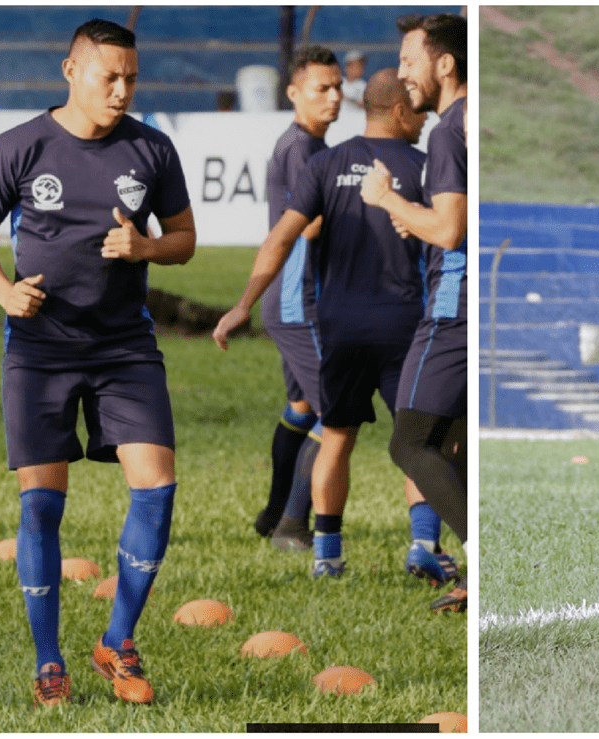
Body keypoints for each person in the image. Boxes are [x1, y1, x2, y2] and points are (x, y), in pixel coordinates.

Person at [0, 19, 196, 706]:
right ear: (71, 71)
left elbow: (183, 239)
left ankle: (116, 641)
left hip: (125, 346)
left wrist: (144, 250)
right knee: (42, 506)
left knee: (156, 486)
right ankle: (48, 661)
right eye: (108, 77)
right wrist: (5, 290)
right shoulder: (22, 146)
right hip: (39, 350)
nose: (121, 91)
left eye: (131, 79)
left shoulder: (152, 149)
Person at [213, 68, 447, 583]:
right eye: (422, 114)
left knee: (336, 436)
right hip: (406, 329)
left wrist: (243, 303)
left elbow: (280, 239)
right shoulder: (428, 167)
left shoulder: (325, 164)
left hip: (339, 329)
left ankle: (327, 555)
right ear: (402, 112)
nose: (426, 122)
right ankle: (424, 545)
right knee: (419, 442)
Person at [361, 12, 468, 612]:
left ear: (443, 63)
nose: (402, 74)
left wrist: (387, 200)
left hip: (453, 306)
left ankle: (482, 557)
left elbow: (449, 232)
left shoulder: (449, 129)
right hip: (469, 302)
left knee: (409, 443)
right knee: (451, 443)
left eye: (409, 60)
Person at [250, 45, 340, 550]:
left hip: (296, 299)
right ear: (293, 92)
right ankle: (292, 525)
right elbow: (308, 226)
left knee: (302, 408)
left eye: (337, 88)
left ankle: (272, 514)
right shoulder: (302, 149)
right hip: (297, 300)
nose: (333, 98)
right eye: (320, 89)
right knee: (338, 413)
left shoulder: (310, 146)